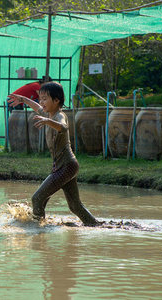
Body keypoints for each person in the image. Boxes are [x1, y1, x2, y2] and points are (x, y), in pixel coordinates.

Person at [7, 81, 99, 226]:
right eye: (40, 98)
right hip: (65, 166)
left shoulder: (59, 115)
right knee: (74, 206)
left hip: (66, 166)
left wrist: (47, 121)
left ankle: (38, 228)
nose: (41, 102)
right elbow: (37, 107)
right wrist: (23, 99)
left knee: (37, 198)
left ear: (56, 101)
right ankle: (96, 226)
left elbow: (63, 127)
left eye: (45, 99)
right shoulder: (48, 114)